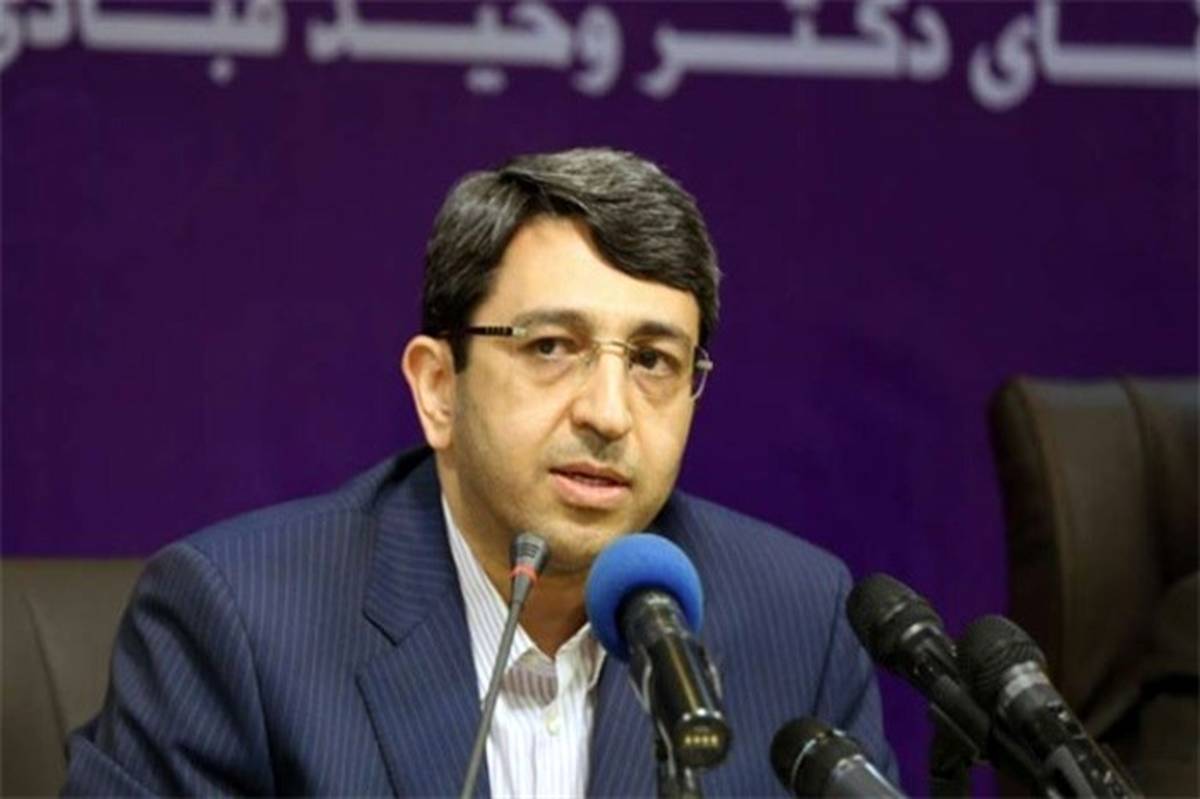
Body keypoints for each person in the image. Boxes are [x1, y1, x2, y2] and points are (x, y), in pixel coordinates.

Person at [65, 148, 896, 795]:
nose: (609, 413)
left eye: (652, 360)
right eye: (552, 346)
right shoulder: (240, 622)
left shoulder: (800, 623)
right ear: (438, 388)